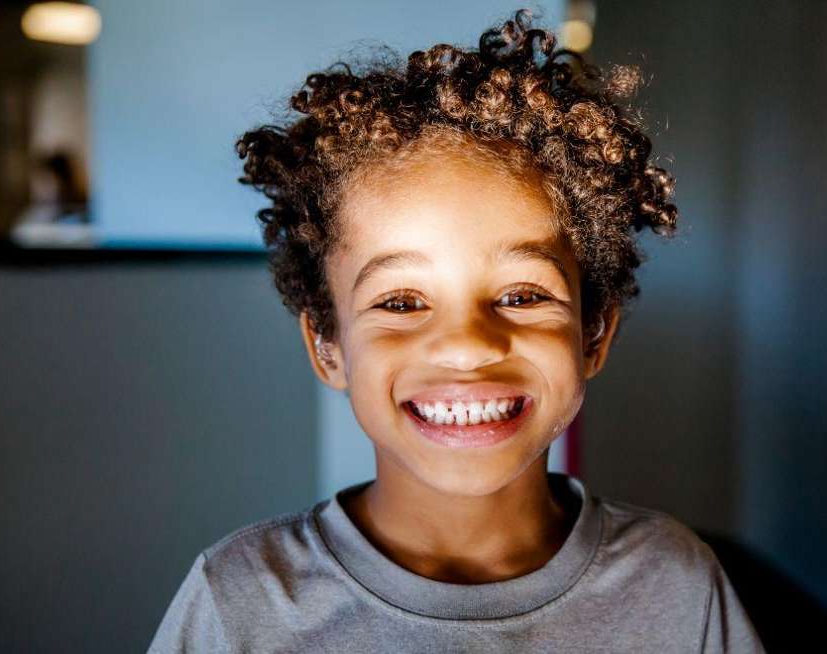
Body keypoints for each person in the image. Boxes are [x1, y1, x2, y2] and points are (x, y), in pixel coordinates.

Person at [149, 10, 763, 653]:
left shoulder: (678, 586)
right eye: (403, 301)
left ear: (593, 335)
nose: (469, 345)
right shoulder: (240, 600)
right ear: (327, 348)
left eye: (522, 295)